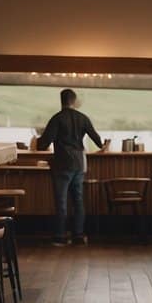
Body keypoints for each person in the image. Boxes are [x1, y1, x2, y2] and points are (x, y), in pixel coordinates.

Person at [38, 88, 103, 246]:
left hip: (62, 163)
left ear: (61, 101)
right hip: (79, 163)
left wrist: (39, 140)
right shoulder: (83, 118)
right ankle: (78, 235)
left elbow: (44, 143)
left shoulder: (57, 118)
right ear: (74, 101)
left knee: (61, 201)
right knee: (78, 200)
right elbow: (98, 140)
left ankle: (60, 236)